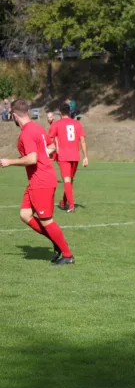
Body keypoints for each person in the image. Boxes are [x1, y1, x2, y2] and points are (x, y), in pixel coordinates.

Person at [0, 99, 74, 265]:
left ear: (13, 115)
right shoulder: (37, 128)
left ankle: (68, 255)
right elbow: (51, 147)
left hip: (41, 181)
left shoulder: (26, 133)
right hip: (38, 179)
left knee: (46, 220)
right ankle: (56, 242)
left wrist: (10, 162)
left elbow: (32, 158)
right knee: (25, 215)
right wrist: (41, 156)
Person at [48, 103, 89, 212]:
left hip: (64, 156)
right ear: (70, 112)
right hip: (75, 156)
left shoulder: (56, 124)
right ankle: (63, 202)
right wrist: (85, 157)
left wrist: (49, 152)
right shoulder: (77, 124)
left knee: (67, 180)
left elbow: (49, 140)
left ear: (60, 113)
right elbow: (83, 140)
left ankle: (71, 206)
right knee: (69, 181)